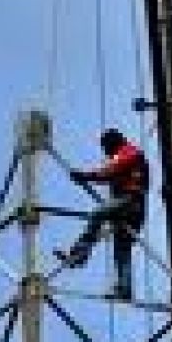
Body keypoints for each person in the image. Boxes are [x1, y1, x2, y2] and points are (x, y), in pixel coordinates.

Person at [54, 128, 149, 302]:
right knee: (122, 251)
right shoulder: (128, 154)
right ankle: (124, 289)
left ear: (113, 143)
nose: (105, 152)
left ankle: (80, 254)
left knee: (98, 214)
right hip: (133, 209)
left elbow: (112, 171)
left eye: (106, 147)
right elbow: (113, 174)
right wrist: (89, 177)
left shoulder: (128, 151)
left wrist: (86, 176)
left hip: (130, 201)